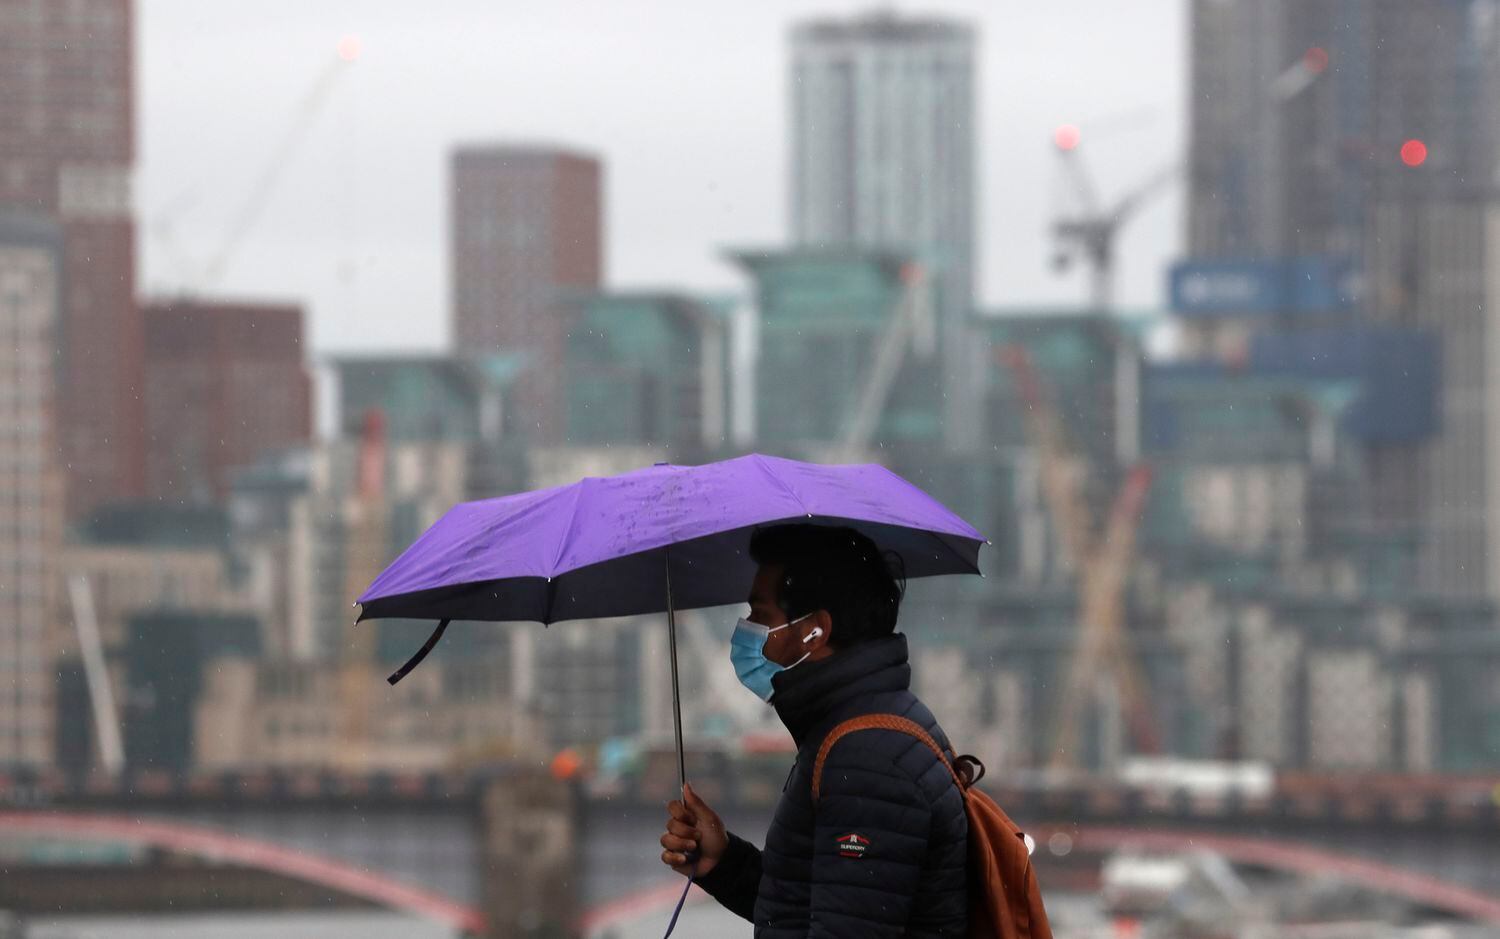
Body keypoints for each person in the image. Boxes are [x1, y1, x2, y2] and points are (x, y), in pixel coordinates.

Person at [660, 523, 968, 937]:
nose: (747, 629)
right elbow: (809, 906)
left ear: (814, 630)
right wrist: (724, 861)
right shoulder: (860, 730)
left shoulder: (867, 762)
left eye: (760, 615)